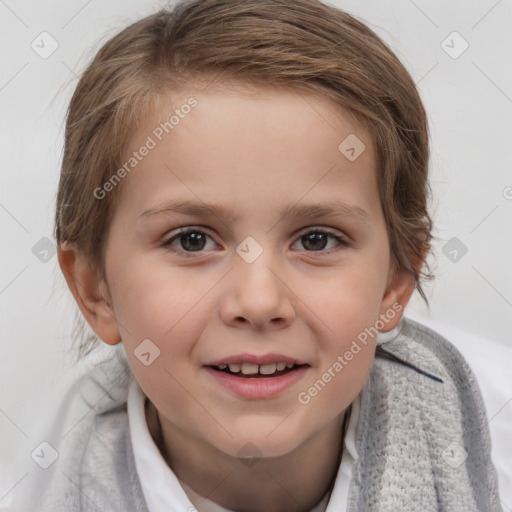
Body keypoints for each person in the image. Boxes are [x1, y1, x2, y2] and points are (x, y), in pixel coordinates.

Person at [13, 0, 502, 510]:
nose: (260, 300)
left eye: (316, 240)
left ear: (396, 281)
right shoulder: (36, 481)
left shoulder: (492, 450)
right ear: (96, 291)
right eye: (192, 240)